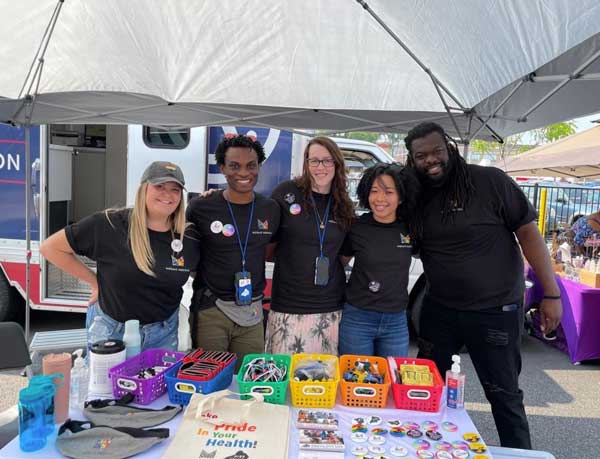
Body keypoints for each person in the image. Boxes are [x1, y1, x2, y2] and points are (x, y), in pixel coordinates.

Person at [405, 122, 562, 449]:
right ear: (412, 159)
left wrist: (551, 293)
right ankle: (426, 450)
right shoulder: (415, 195)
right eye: (421, 155)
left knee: (504, 397)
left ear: (449, 146)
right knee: (426, 391)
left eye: (437, 151)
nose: (431, 160)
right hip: (440, 311)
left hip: (495, 312)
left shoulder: (489, 181)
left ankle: (520, 456)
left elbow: (529, 234)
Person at [40, 161, 200, 351]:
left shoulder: (188, 237)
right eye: (159, 186)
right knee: (105, 382)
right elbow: (50, 248)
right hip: (112, 330)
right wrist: (94, 282)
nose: (168, 194)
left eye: (175, 189)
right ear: (143, 189)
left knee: (158, 382)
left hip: (163, 333)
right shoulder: (109, 225)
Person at [187, 134, 280, 370]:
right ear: (222, 168)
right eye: (234, 166)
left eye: (251, 165)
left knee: (248, 381)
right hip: (212, 309)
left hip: (252, 311)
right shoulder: (201, 207)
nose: (243, 173)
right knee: (210, 378)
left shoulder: (269, 209)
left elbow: (271, 250)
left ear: (259, 166)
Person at [265, 136, 354, 355]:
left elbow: (343, 256)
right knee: (284, 378)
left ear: (337, 164)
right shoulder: (286, 193)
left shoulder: (344, 204)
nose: (320, 167)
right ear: (306, 163)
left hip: (329, 307)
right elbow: (268, 246)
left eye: (327, 161)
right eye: (314, 160)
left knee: (321, 379)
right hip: (288, 305)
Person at [338, 163, 420, 358]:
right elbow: (340, 262)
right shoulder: (357, 227)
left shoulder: (410, 229)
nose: (380, 199)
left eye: (389, 192)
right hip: (358, 318)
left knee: (393, 383)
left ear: (401, 197)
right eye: (374, 191)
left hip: (396, 321)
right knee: (357, 382)